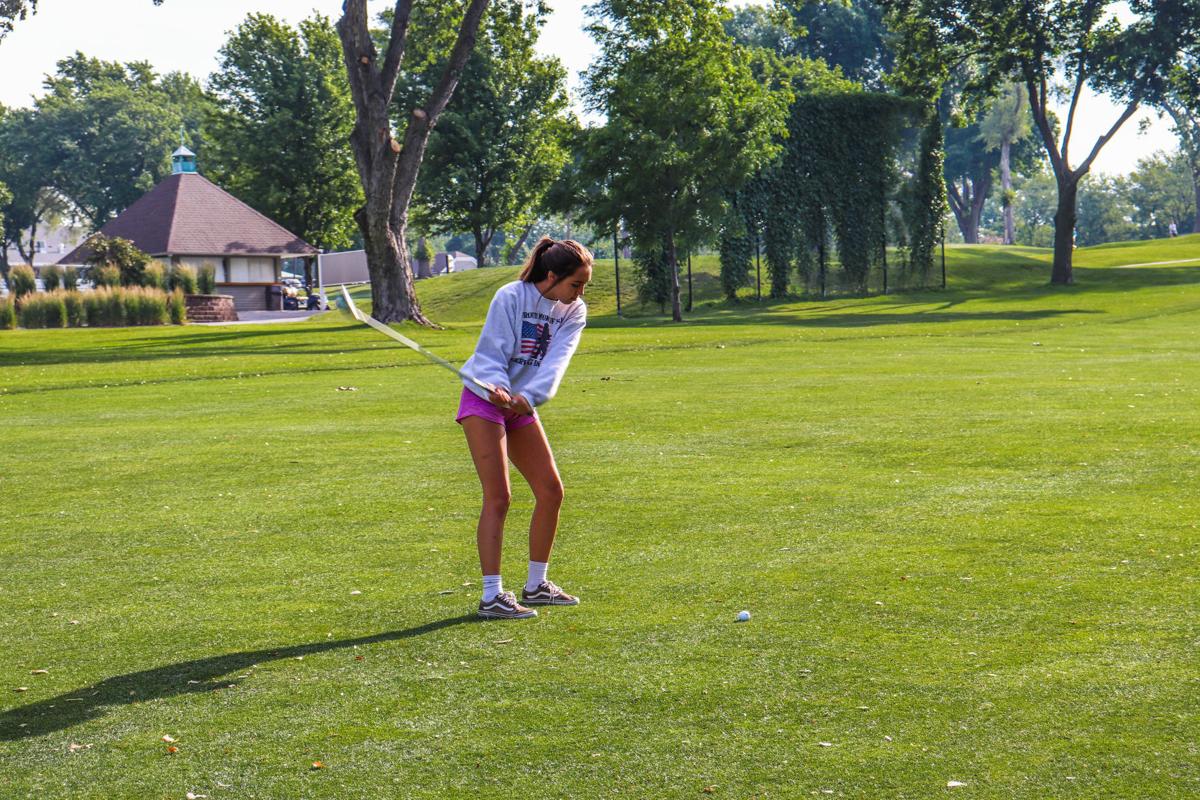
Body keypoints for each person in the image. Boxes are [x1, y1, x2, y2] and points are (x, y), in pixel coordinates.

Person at [457, 237, 592, 619]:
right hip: (483, 399)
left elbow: (557, 362)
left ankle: (536, 586)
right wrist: (497, 387)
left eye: (584, 285)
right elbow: (492, 351)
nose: (580, 292)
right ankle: (491, 596)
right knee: (499, 497)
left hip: (521, 405)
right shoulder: (511, 296)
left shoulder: (573, 311)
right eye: (575, 284)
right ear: (551, 275)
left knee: (551, 491)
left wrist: (528, 397)